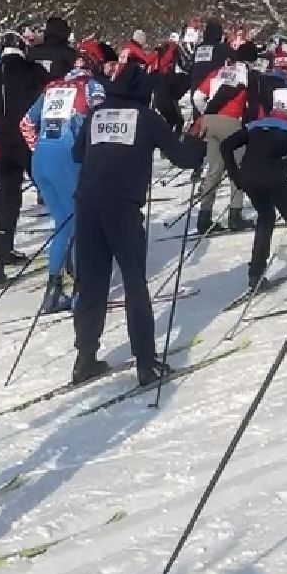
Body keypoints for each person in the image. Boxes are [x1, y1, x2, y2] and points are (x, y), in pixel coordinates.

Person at [69, 61, 206, 386]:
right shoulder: (146, 117)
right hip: (122, 207)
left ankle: (85, 358)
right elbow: (184, 159)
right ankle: (145, 362)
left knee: (92, 284)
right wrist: (197, 140)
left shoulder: (97, 114)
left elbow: (77, 154)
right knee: (134, 283)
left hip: (87, 204)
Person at [219, 87, 287, 303]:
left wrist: (236, 176)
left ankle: (255, 275)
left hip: (249, 180)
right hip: (274, 181)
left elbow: (226, 145)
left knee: (266, 218)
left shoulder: (255, 124)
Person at [24, 63, 104, 313]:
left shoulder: (52, 88)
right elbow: (100, 119)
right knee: (82, 222)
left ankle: (53, 290)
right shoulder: (91, 86)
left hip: (41, 161)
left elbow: (25, 123)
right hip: (68, 159)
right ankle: (82, 290)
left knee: (62, 222)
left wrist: (38, 148)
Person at [0, 34, 46, 287]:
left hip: (3, 144)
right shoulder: (33, 70)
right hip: (29, 141)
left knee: (8, 200)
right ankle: (73, 252)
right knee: (53, 192)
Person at [190, 42, 261, 234]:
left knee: (213, 171)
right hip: (231, 121)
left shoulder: (219, 71)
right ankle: (235, 215)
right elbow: (253, 103)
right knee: (237, 169)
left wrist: (207, 113)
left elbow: (197, 96)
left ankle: (204, 218)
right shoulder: (246, 72)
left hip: (209, 121)